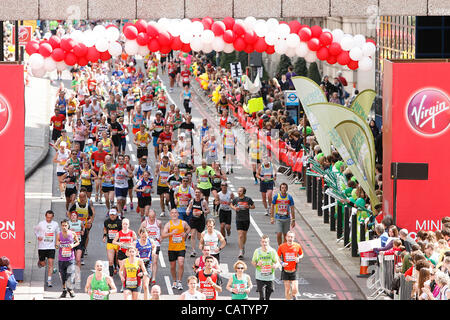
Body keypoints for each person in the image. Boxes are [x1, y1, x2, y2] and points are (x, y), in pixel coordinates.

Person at [162, 208, 191, 291]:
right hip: (172, 248)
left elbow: (189, 228)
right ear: (170, 214)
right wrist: (171, 233)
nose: (174, 214)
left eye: (176, 213)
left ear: (178, 214)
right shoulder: (168, 224)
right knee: (172, 266)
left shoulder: (183, 223)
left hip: (181, 247)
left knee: (181, 263)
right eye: (172, 213)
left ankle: (179, 281)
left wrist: (185, 233)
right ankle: (174, 280)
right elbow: (163, 235)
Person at [34, 210, 59, 287]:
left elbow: (58, 233)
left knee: (51, 263)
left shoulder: (55, 224)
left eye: (50, 218)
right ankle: (40, 262)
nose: (49, 219)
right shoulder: (41, 224)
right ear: (45, 216)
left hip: (51, 247)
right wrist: (38, 236)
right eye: (47, 217)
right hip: (42, 247)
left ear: (53, 217)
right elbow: (36, 230)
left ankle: (49, 280)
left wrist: (57, 243)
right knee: (43, 263)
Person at [56, 219, 80, 298]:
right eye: (62, 225)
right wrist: (58, 244)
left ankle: (70, 289)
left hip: (70, 258)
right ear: (61, 226)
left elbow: (78, 242)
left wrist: (73, 245)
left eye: (65, 225)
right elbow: (56, 246)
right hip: (61, 259)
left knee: (70, 275)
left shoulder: (72, 233)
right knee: (63, 276)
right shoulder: (59, 235)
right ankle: (64, 290)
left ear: (68, 226)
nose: (64, 227)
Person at [277, 230, 304, 300]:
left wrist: (298, 258)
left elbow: (301, 254)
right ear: (286, 237)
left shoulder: (297, 246)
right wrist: (282, 263)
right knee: (287, 289)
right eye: (288, 237)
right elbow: (277, 256)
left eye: (291, 237)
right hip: (285, 271)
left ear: (294, 238)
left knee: (295, 289)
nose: (290, 238)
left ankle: (294, 295)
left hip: (294, 270)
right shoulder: (282, 246)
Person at [251, 235, 279, 300]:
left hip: (270, 276)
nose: (264, 244)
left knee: (270, 292)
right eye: (263, 242)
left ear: (268, 242)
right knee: (262, 296)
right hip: (260, 276)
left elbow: (277, 262)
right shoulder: (257, 251)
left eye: (266, 242)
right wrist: (257, 264)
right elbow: (253, 262)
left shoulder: (272, 251)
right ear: (260, 242)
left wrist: (275, 266)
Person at [230, 187, 255, 259]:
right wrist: (234, 208)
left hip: (246, 219)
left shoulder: (248, 199)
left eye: (240, 191)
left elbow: (253, 206)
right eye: (238, 191)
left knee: (244, 234)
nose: (238, 192)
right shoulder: (236, 199)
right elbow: (231, 204)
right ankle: (240, 251)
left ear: (244, 192)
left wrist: (249, 207)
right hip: (239, 219)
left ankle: (242, 246)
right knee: (240, 235)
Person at [112, 218, 138, 290]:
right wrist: (119, 243)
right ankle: (123, 286)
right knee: (122, 269)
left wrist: (132, 244)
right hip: (122, 252)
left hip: (130, 253)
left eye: (126, 224)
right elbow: (113, 241)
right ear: (122, 224)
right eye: (124, 224)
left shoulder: (132, 232)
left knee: (129, 269)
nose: (125, 225)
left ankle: (131, 283)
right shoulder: (119, 233)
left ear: (128, 225)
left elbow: (136, 240)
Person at [139, 209, 163, 285]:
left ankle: (153, 278)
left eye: (153, 217)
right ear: (148, 216)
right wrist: (143, 239)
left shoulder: (158, 223)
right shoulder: (144, 223)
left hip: (156, 244)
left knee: (155, 261)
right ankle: (147, 275)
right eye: (150, 217)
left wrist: (160, 238)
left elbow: (162, 231)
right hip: (147, 244)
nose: (151, 219)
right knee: (147, 261)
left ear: (155, 216)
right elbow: (139, 232)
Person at [186, 189, 210, 258]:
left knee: (199, 237)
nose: (197, 194)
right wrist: (187, 211)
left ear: (201, 194)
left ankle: (205, 248)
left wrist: (202, 212)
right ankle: (193, 250)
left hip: (201, 220)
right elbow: (189, 208)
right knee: (193, 235)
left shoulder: (203, 202)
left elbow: (208, 210)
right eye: (196, 192)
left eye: (198, 192)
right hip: (193, 220)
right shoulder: (192, 201)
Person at [136, 228, 157, 300]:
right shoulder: (136, 243)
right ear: (140, 235)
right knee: (138, 286)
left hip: (147, 264)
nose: (144, 238)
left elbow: (154, 246)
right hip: (138, 265)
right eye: (143, 237)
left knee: (145, 285)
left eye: (146, 237)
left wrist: (153, 251)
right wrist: (134, 253)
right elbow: (129, 252)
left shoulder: (150, 241)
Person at [103, 207, 122, 277]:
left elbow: (122, 232)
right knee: (110, 261)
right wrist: (104, 236)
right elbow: (105, 229)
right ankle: (110, 277)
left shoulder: (120, 222)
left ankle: (116, 267)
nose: (112, 216)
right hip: (110, 243)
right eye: (111, 215)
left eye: (114, 215)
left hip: (118, 243)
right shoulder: (106, 222)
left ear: (116, 215)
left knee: (117, 259)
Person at [68, 211, 85, 288]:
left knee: (78, 259)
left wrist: (82, 231)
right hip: (71, 243)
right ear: (70, 217)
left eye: (75, 215)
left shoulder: (80, 222)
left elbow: (83, 227)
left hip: (79, 242)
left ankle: (78, 275)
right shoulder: (68, 223)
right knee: (71, 260)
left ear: (77, 216)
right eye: (72, 215)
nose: (73, 217)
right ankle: (72, 274)